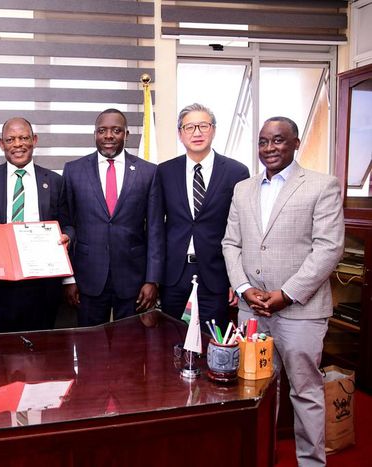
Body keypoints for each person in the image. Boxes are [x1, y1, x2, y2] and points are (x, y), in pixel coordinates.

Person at [222, 116, 344, 466]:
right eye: (263, 142)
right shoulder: (243, 189)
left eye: (278, 140)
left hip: (300, 311)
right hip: (252, 311)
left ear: (295, 142)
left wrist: (286, 294)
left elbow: (328, 249)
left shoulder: (322, 186)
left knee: (305, 391)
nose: (269, 148)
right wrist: (244, 288)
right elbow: (231, 243)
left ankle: (311, 462)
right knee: (255, 392)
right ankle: (262, 457)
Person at [60, 108, 164, 326]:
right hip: (87, 280)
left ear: (126, 134)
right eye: (102, 130)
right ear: (95, 134)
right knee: (90, 350)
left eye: (116, 130)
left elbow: (155, 229)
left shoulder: (148, 172)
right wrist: (68, 279)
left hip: (133, 281)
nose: (108, 136)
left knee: (131, 350)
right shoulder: (73, 170)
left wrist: (152, 279)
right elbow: (67, 225)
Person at [0, 117, 65, 332]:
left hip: (42, 288)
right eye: (10, 139)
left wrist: (67, 237)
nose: (17, 144)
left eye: (24, 138)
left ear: (34, 140)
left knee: (41, 358)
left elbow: (69, 225)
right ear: (1, 144)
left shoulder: (55, 181)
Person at [157, 103, 249, 331]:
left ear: (214, 130)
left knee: (212, 342)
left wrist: (234, 279)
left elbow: (241, 231)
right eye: (189, 127)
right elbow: (156, 227)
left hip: (216, 274)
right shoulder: (165, 171)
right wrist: (155, 277)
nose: (196, 133)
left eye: (203, 126)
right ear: (180, 134)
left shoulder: (236, 172)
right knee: (171, 340)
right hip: (174, 274)